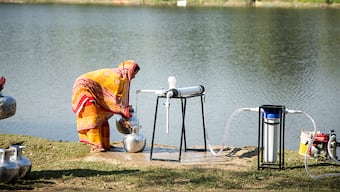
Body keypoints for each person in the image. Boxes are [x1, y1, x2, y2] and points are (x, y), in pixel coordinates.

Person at [71, 60, 140, 153]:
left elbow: (119, 99)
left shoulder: (123, 78)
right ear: (128, 70)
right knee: (93, 116)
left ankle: (105, 145)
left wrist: (126, 110)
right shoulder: (117, 77)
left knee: (102, 116)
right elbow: (114, 100)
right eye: (133, 74)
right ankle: (96, 146)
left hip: (94, 92)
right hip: (83, 89)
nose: (134, 77)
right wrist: (124, 114)